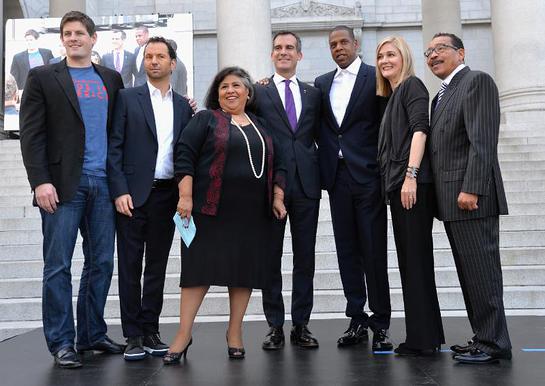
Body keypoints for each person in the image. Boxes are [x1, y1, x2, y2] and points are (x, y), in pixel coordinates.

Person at [18, 11, 125, 369]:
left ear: (93, 38)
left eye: (80, 32)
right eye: (68, 33)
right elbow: (32, 134)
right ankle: (62, 341)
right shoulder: (43, 77)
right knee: (58, 266)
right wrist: (40, 181)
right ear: (62, 39)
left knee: (102, 263)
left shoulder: (111, 78)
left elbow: (122, 128)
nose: (74, 38)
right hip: (62, 186)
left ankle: (91, 333)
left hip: (103, 184)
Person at [163, 66, 287, 364]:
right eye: (223, 86)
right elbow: (184, 154)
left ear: (248, 92)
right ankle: (183, 334)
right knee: (197, 272)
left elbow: (280, 162)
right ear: (216, 93)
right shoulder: (206, 119)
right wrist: (185, 195)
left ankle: (234, 332)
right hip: (208, 209)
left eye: (236, 85)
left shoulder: (262, 125)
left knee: (242, 273)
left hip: (252, 213)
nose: (230, 90)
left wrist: (279, 196)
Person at [425, 32, 512, 364]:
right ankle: (484, 337)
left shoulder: (477, 81)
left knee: (484, 274)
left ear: (460, 53)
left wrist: (472, 188)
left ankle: (494, 342)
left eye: (440, 49)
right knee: (470, 274)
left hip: (471, 199)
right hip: (452, 203)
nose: (433, 55)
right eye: (428, 52)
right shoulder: (442, 95)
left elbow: (483, 140)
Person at [107, 37, 193, 361]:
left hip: (166, 196)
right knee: (130, 267)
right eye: (149, 56)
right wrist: (119, 190)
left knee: (156, 267)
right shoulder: (127, 98)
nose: (153, 61)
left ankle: (151, 329)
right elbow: (114, 147)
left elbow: (186, 152)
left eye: (160, 56)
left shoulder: (184, 106)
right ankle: (132, 335)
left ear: (173, 63)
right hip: (132, 196)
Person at [314, 25, 392, 351]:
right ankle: (357, 318)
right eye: (333, 44)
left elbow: (388, 126)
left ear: (356, 44)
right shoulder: (321, 84)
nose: (338, 48)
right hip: (337, 178)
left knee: (373, 250)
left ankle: (381, 322)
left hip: (368, 176)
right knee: (347, 251)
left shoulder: (377, 76)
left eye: (343, 42)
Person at [375, 36, 444, 356]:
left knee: (415, 262)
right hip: (399, 186)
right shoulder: (394, 94)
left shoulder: (413, 86)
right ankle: (427, 336)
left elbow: (420, 129)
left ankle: (422, 340)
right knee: (412, 262)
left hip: (411, 186)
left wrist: (410, 177)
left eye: (391, 54)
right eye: (380, 56)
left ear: (404, 57)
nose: (385, 60)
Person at [254, 31, 321, 350]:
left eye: (290, 48)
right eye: (278, 48)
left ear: (299, 55)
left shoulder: (313, 93)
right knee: (270, 256)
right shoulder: (258, 91)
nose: (283, 52)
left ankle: (302, 324)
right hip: (271, 187)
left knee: (305, 257)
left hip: (307, 184)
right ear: (271, 55)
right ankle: (275, 325)